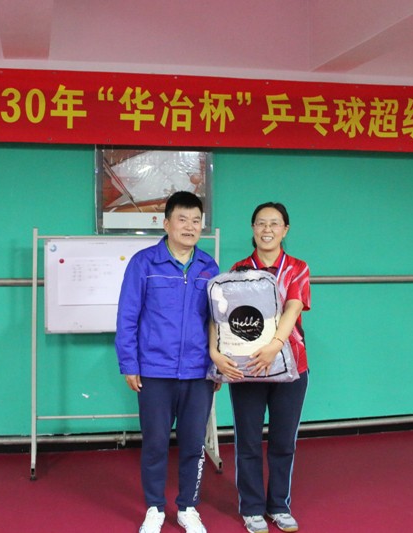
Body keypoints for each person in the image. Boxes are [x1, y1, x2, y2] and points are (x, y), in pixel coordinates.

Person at [116, 191, 221, 533]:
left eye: (196, 221)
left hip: (198, 372)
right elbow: (127, 317)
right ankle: (155, 508)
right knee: (156, 443)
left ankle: (188, 507)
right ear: (166, 224)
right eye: (182, 219)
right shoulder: (144, 263)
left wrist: (217, 366)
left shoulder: (209, 267)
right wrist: (129, 364)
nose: (190, 227)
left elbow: (218, 321)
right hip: (154, 371)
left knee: (193, 444)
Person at [209, 202, 310, 533]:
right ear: (253, 228)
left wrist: (274, 346)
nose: (268, 229)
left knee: (283, 442)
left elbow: (293, 307)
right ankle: (252, 508)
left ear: (285, 229)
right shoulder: (238, 270)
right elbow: (223, 316)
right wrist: (217, 353)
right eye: (261, 223)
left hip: (291, 367)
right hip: (247, 369)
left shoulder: (297, 268)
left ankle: (279, 505)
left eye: (275, 223)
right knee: (248, 441)